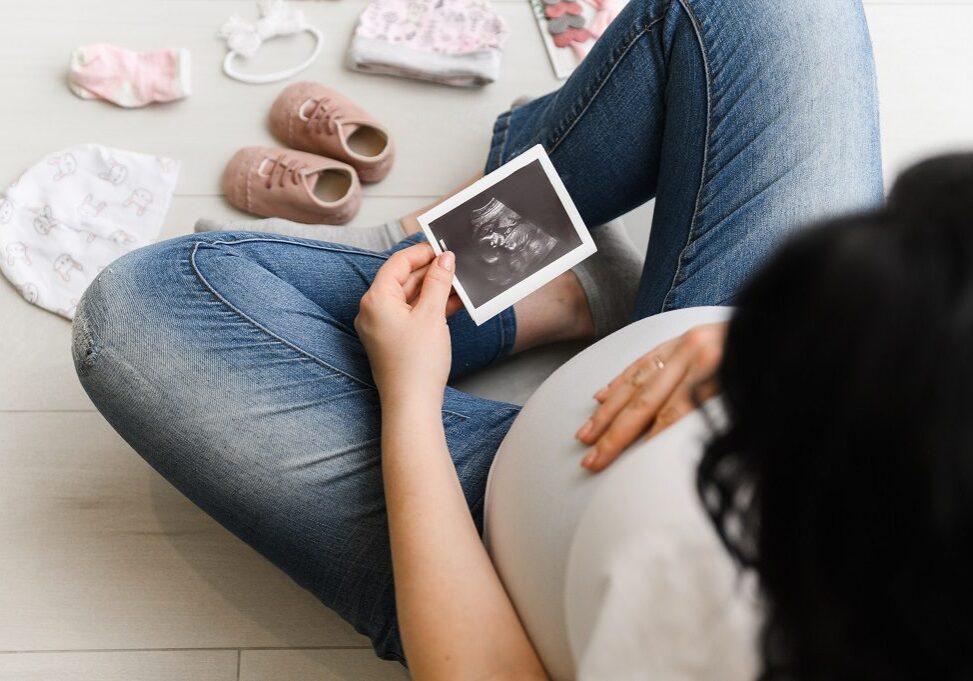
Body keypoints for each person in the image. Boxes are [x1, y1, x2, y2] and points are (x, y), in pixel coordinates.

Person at [71, 0, 884, 678]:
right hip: (728, 369)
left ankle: (519, 292)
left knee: (134, 310)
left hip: (495, 555)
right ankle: (499, 263)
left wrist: (411, 403)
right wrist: (776, 353)